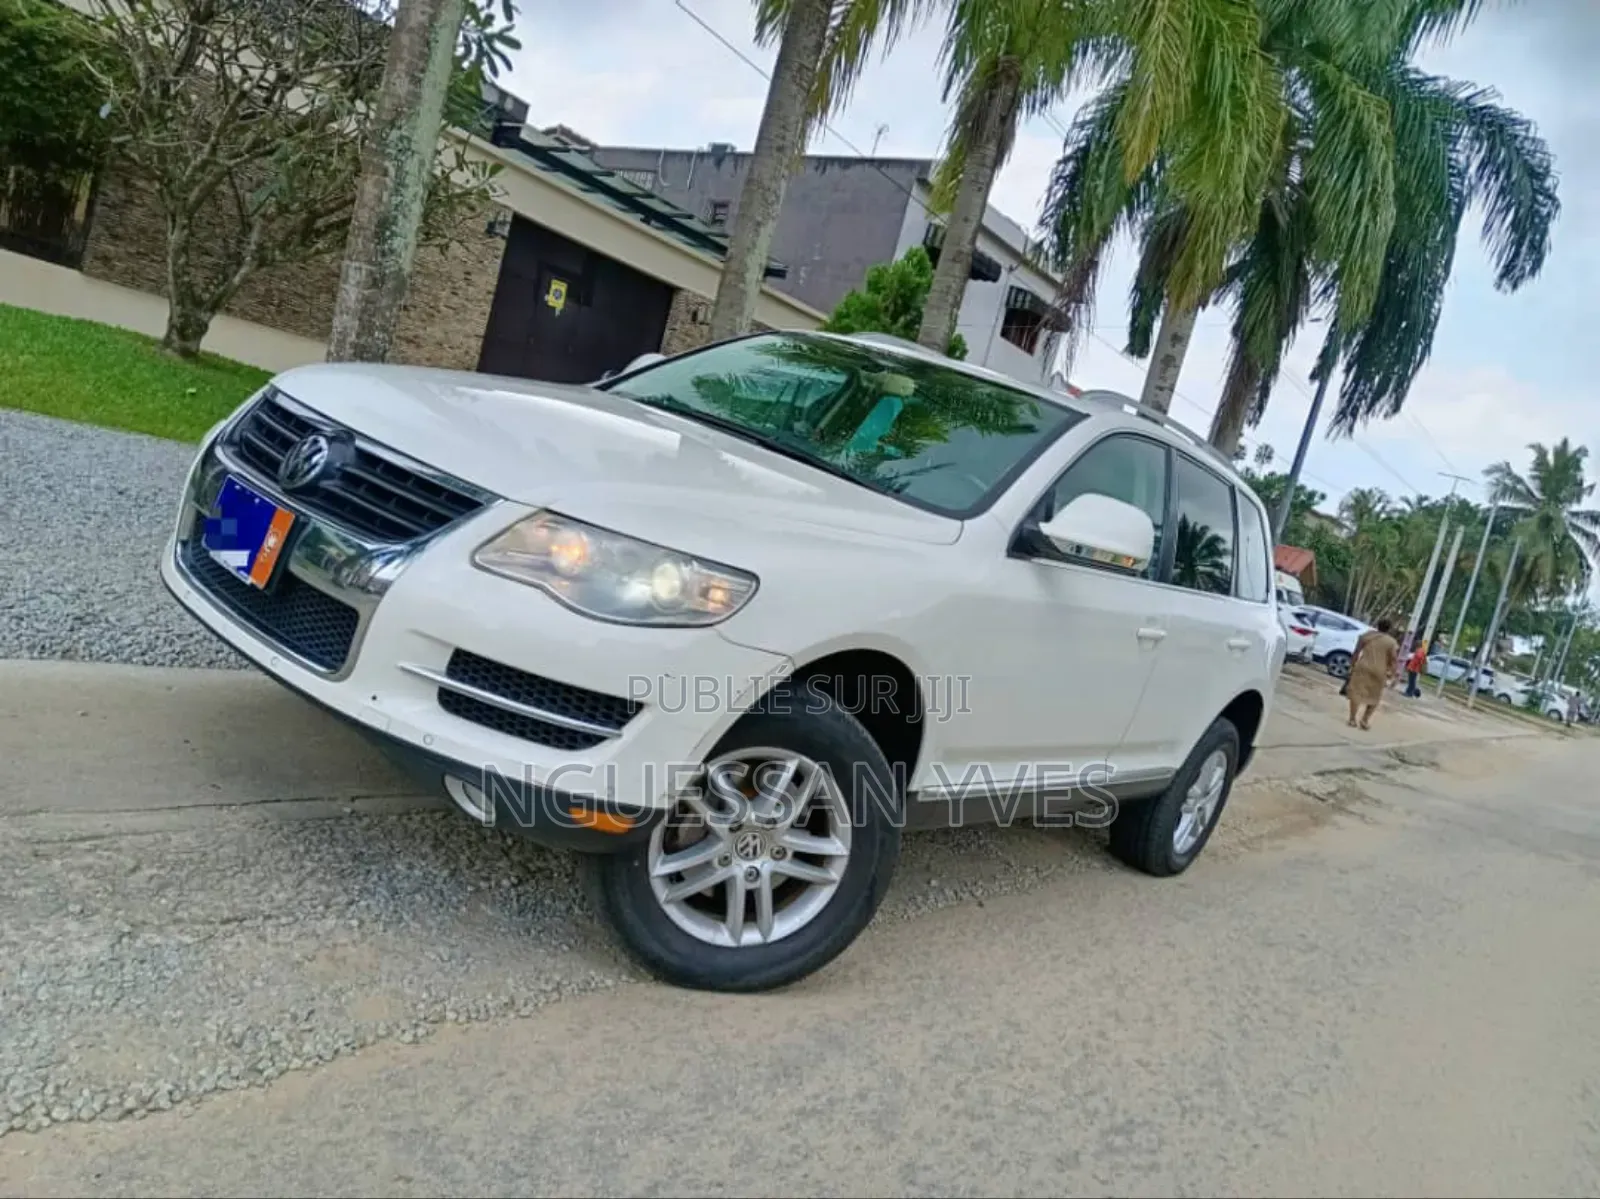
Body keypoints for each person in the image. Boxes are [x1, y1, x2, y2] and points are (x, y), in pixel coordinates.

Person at [1346, 617, 1400, 730]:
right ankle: (1365, 720)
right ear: (1389, 629)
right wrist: (1393, 673)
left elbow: (1356, 651)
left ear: (1378, 626)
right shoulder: (1391, 642)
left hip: (1362, 667)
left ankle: (1352, 719)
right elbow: (1393, 659)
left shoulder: (1367, 636)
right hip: (1379, 671)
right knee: (1374, 696)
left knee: (1356, 692)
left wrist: (1352, 665)